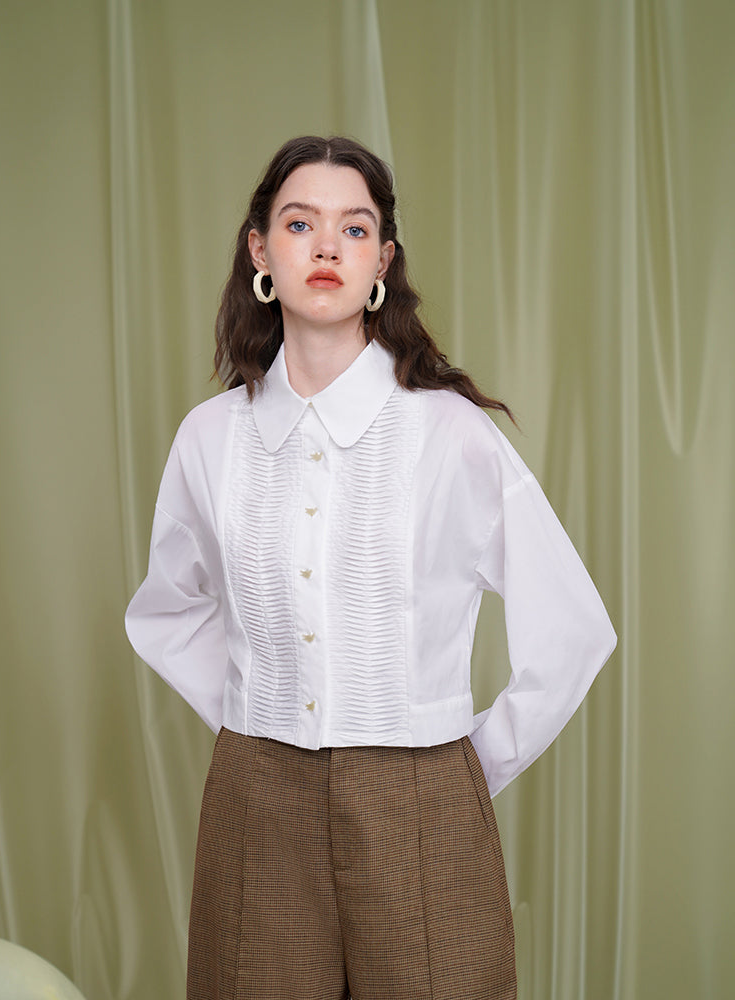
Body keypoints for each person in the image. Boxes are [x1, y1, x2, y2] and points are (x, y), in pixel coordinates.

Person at [125, 135, 616, 1000]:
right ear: (259, 250)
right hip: (256, 800)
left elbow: (573, 631)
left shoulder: (450, 433)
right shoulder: (210, 438)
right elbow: (165, 610)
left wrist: (466, 769)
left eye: (354, 229)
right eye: (299, 224)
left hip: (422, 798)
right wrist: (257, 708)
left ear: (382, 260)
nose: (326, 246)